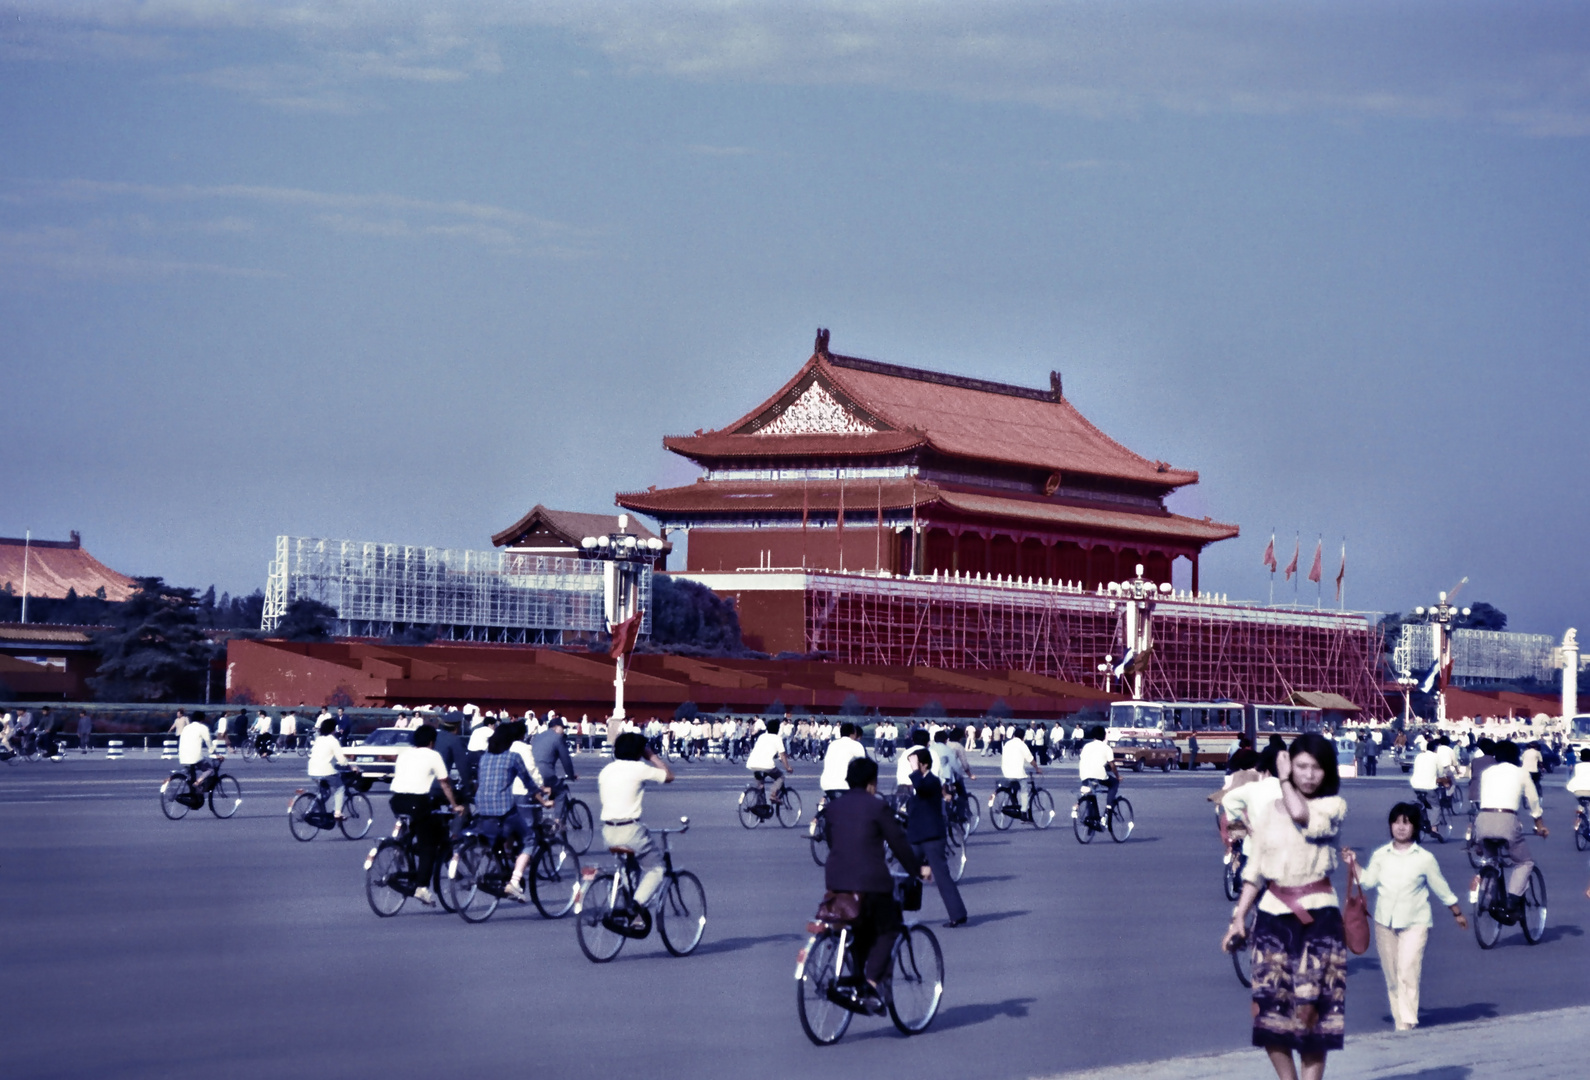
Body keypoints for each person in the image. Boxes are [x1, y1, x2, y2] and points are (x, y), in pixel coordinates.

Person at [1222, 733, 1348, 1080]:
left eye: (1316, 768)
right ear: (1290, 764)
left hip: (1319, 920)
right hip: (1273, 918)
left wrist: (1284, 781)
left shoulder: (1332, 806)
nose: (1308, 775)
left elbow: (1302, 816)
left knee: (1313, 1018)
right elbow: (1255, 869)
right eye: (1301, 766)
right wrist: (1238, 918)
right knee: (1269, 1016)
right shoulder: (1266, 811)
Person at [823, 756, 931, 1013]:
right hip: (870, 883)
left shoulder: (833, 807)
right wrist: (918, 869)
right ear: (872, 782)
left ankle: (859, 980)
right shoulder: (877, 807)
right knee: (890, 929)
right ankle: (871, 983)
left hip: (836, 881)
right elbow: (898, 843)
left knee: (859, 927)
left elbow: (832, 841)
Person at [1344, 803, 1465, 1032]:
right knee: (1392, 975)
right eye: (1397, 822)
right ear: (1390, 825)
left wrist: (1456, 912)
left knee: (1408, 969)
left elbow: (1441, 887)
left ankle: (1407, 1023)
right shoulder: (1381, 855)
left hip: (1415, 922)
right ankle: (1401, 1020)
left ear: (1415, 827)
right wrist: (1354, 863)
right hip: (1384, 922)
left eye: (1406, 823)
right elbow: (1368, 881)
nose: (1401, 827)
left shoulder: (1424, 858)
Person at [598, 732, 675, 926]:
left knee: (629, 867)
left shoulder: (606, 770)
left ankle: (633, 913)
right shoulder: (639, 768)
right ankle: (636, 905)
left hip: (608, 832)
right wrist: (653, 756)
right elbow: (669, 776)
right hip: (630, 831)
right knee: (657, 869)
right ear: (639, 751)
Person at [388, 724, 466, 906]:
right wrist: (455, 805)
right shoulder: (434, 755)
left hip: (397, 801)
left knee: (419, 829)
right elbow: (445, 784)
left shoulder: (405, 754)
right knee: (429, 845)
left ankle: (405, 850)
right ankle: (422, 887)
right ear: (432, 742)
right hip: (418, 802)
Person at [474, 723, 549, 901]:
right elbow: (529, 784)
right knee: (530, 838)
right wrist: (543, 801)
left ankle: (504, 862)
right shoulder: (513, 757)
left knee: (499, 836)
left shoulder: (484, 758)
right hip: (503, 808)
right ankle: (515, 882)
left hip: (482, 807)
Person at [1473, 740, 1546, 911]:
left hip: (1482, 820)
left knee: (1491, 861)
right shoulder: (1521, 773)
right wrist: (1539, 824)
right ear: (1516, 756)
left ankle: (1488, 897)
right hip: (1506, 820)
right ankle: (1513, 898)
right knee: (1524, 863)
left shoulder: (1488, 772)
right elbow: (1533, 800)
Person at [906, 748, 968, 927]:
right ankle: (897, 911)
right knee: (903, 872)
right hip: (918, 837)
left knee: (942, 877)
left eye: (916, 763)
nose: (912, 767)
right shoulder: (921, 781)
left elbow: (921, 787)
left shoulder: (932, 781)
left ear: (924, 764)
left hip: (932, 837)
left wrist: (915, 770)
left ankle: (957, 914)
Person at [531, 713, 580, 826]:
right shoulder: (558, 738)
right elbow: (566, 760)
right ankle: (557, 822)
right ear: (557, 728)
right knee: (561, 791)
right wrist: (571, 775)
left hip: (531, 772)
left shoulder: (538, 736)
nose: (564, 731)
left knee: (538, 794)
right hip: (545, 772)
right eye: (563, 728)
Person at [307, 718, 356, 818]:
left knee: (324, 793)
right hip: (325, 771)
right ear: (333, 729)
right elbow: (342, 760)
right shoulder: (333, 741)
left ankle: (310, 811)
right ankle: (337, 813)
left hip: (312, 770)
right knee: (340, 788)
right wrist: (352, 767)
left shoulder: (319, 739)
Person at [745, 718, 794, 805]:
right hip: (766, 765)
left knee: (760, 786)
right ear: (777, 729)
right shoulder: (777, 738)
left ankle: (759, 807)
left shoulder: (762, 736)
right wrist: (788, 767)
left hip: (752, 764)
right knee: (781, 777)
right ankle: (773, 795)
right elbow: (783, 756)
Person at [1077, 724, 1119, 820]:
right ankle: (1108, 807)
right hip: (1099, 775)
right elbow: (1112, 765)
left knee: (1090, 793)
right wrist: (1117, 776)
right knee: (1114, 783)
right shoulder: (1106, 748)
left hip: (1084, 775)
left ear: (1093, 736)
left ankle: (1092, 819)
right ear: (1104, 736)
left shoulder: (1086, 746)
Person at [819, 722, 868, 802]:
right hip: (844, 785)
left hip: (825, 783)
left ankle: (823, 806)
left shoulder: (832, 744)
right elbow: (864, 765)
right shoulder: (856, 745)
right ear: (853, 733)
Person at [999, 723, 1039, 815]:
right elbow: (1030, 759)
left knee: (1014, 785)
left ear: (1014, 735)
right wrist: (1037, 768)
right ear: (1023, 736)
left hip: (1006, 772)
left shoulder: (1007, 744)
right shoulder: (1022, 745)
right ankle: (1024, 812)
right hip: (1018, 774)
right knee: (1024, 790)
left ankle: (1013, 800)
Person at [177, 711, 215, 792]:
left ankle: (194, 794)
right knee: (210, 769)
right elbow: (208, 742)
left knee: (191, 775)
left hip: (182, 757)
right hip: (195, 758)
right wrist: (214, 753)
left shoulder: (186, 728)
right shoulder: (203, 728)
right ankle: (198, 783)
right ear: (202, 719)